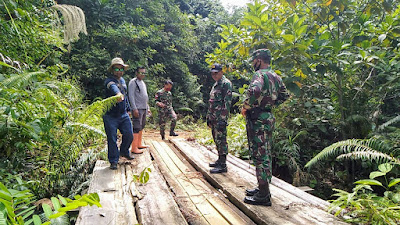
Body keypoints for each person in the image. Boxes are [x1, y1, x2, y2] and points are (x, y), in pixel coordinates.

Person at [241, 49, 289, 206]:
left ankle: (263, 194)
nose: (253, 63)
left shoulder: (260, 75)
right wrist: (270, 104)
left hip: (258, 118)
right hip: (268, 117)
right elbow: (284, 95)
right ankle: (263, 188)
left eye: (254, 60)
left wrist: (246, 106)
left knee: (261, 155)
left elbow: (254, 90)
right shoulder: (275, 76)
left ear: (259, 60)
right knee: (264, 152)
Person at [103, 57, 134, 170]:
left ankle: (124, 151)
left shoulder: (123, 81)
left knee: (129, 134)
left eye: (121, 69)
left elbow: (125, 96)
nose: (119, 71)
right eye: (116, 69)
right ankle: (113, 161)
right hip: (110, 116)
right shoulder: (109, 81)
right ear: (112, 70)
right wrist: (117, 94)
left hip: (123, 114)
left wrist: (129, 109)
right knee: (112, 138)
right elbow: (113, 88)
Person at [206, 63, 232, 174]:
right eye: (212, 74)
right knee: (216, 139)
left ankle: (223, 165)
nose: (214, 76)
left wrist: (223, 119)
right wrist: (208, 116)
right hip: (213, 117)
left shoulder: (226, 84)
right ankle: (219, 160)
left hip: (220, 117)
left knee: (222, 140)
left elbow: (227, 102)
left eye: (216, 73)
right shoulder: (216, 84)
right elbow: (211, 102)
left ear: (221, 72)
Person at [128, 66, 151, 154]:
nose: (142, 74)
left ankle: (139, 144)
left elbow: (145, 96)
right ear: (137, 73)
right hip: (137, 108)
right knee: (136, 127)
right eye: (141, 72)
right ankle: (134, 148)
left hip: (144, 108)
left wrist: (147, 107)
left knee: (142, 126)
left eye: (144, 73)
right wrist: (134, 108)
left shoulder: (143, 83)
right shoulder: (133, 82)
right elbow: (131, 96)